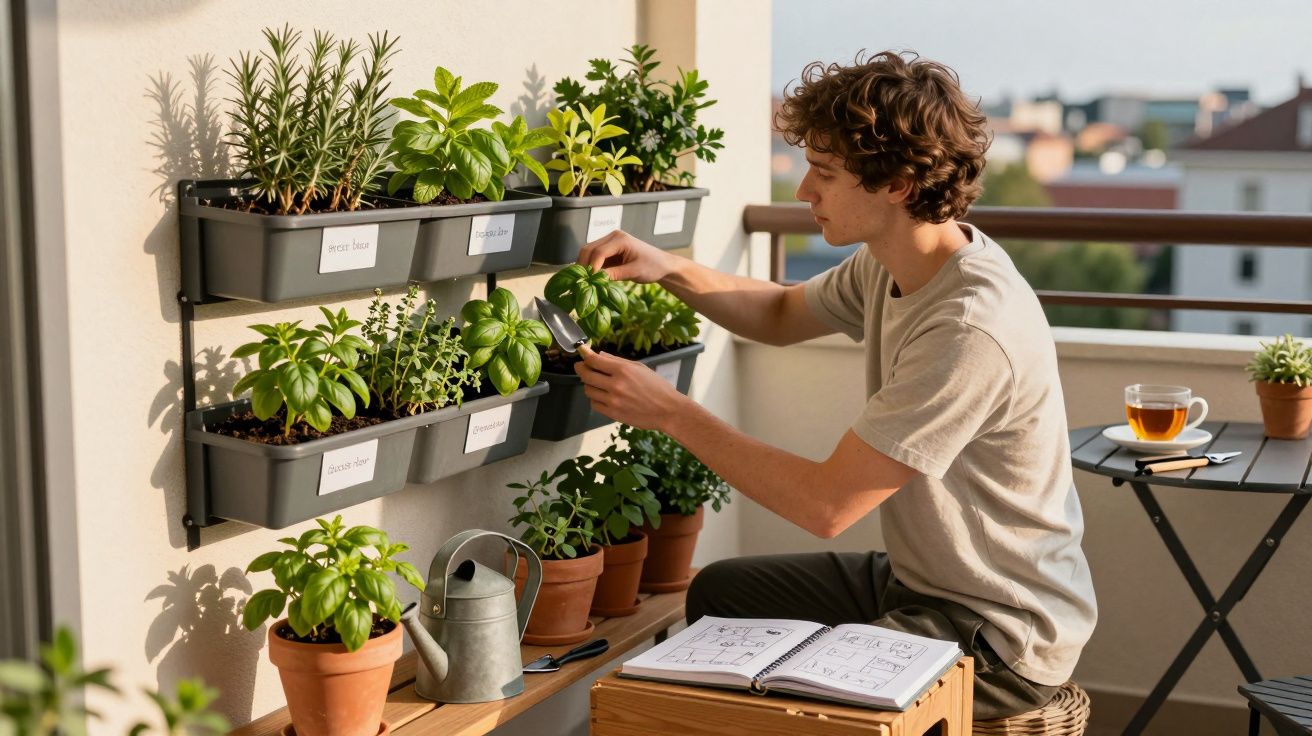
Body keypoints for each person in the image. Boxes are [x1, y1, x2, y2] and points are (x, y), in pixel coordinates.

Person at [570, 50, 1096, 719]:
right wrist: (668, 268)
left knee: (802, 703)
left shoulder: (968, 329)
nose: (802, 192)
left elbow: (827, 506)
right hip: (921, 584)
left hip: (999, 629)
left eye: (823, 173)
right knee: (721, 596)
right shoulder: (892, 262)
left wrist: (671, 412)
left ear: (898, 185)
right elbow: (783, 314)